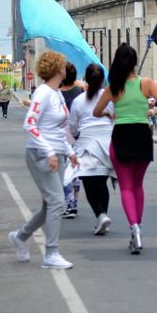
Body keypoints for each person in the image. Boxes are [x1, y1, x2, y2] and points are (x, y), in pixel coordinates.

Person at [93, 44, 157, 254]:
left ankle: (133, 227)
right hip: (142, 135)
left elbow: (96, 111)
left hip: (121, 135)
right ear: (134, 62)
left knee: (125, 186)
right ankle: (138, 227)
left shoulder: (113, 86)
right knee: (138, 185)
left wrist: (110, 114)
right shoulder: (147, 83)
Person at [8, 51, 80, 269]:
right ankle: (51, 253)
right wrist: (49, 151)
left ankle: (20, 236)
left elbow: (58, 129)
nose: (66, 67)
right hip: (41, 154)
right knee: (58, 202)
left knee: (50, 205)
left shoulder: (56, 93)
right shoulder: (43, 93)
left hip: (56, 154)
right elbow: (30, 124)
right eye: (63, 64)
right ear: (58, 69)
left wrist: (69, 151)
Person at [67, 63, 115, 236]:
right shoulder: (110, 96)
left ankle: (101, 215)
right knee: (102, 183)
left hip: (87, 143)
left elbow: (73, 127)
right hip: (108, 143)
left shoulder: (79, 101)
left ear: (86, 78)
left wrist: (78, 135)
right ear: (103, 79)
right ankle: (103, 217)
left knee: (88, 183)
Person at [60, 62, 85, 218]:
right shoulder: (81, 90)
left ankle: (70, 204)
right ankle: (73, 203)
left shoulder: (56, 92)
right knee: (74, 170)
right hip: (79, 135)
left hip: (61, 136)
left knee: (64, 172)